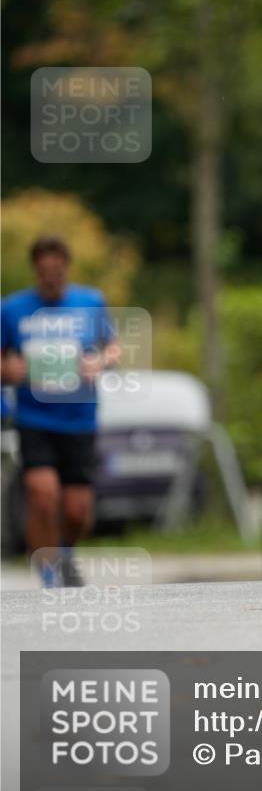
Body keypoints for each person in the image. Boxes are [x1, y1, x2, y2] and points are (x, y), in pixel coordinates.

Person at [0, 236, 119, 586]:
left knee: (77, 510)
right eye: (44, 270)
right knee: (42, 494)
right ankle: (48, 571)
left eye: (57, 269)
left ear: (66, 267)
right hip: (34, 418)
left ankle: (65, 550)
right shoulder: (12, 309)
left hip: (79, 419)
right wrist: (8, 371)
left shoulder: (91, 302)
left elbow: (112, 349)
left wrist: (99, 362)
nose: (51, 276)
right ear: (35, 270)